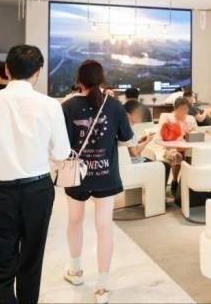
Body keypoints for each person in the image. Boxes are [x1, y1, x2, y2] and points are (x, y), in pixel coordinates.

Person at [0, 45, 71, 304]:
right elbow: (61, 152)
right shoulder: (50, 105)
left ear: (7, 69)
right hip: (38, 191)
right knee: (31, 261)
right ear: (39, 72)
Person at [61, 60, 133, 303]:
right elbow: (126, 137)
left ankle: (75, 271)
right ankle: (102, 286)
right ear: (102, 80)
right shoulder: (114, 106)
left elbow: (61, 144)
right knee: (104, 226)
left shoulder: (68, 106)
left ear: (79, 81)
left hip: (77, 176)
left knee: (74, 220)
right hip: (106, 175)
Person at [157, 97, 199, 197]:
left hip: (188, 147)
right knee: (177, 155)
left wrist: (190, 133)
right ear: (175, 108)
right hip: (171, 147)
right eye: (181, 109)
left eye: (185, 109)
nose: (183, 111)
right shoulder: (168, 118)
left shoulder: (190, 119)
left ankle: (189, 185)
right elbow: (162, 135)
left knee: (194, 156)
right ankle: (175, 181)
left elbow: (196, 134)